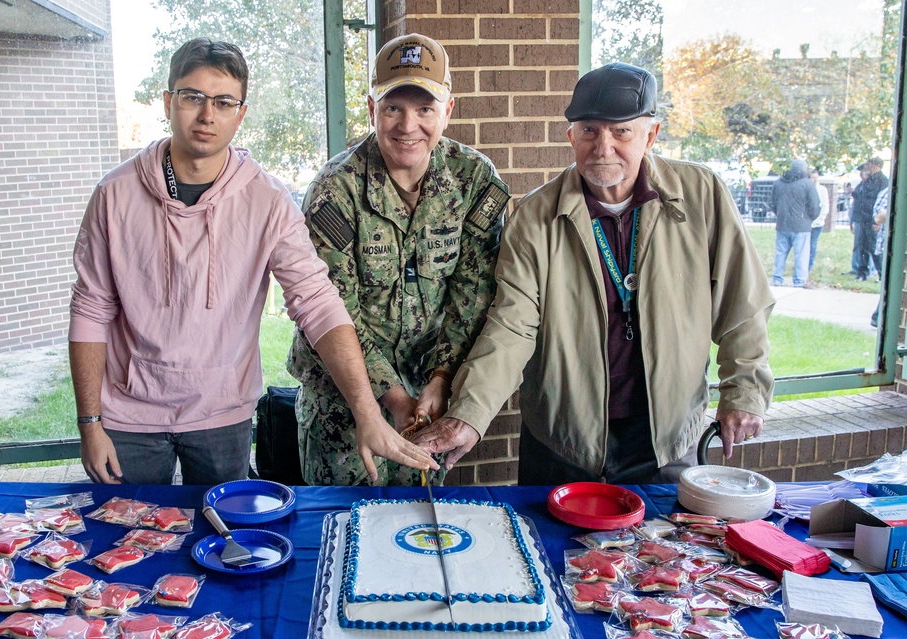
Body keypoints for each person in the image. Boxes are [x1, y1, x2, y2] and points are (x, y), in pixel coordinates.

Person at [69, 38, 436, 485]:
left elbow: (317, 303)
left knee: (227, 542)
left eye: (224, 102)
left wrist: (367, 412)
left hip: (222, 411)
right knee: (130, 538)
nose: (207, 115)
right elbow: (91, 309)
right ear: (168, 102)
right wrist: (89, 424)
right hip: (128, 414)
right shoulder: (114, 195)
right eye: (192, 97)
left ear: (240, 113)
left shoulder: (268, 200)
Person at [412, 62, 775, 485]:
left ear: (650, 136)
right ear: (571, 137)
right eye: (589, 131)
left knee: (665, 549)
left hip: (667, 439)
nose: (603, 147)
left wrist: (744, 392)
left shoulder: (702, 195)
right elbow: (511, 327)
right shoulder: (534, 218)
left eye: (621, 131)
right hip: (563, 442)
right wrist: (468, 416)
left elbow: (742, 302)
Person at [287, 34, 507, 486]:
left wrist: (443, 376)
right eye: (393, 108)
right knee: (342, 529)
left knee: (417, 531)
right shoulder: (336, 189)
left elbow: (474, 291)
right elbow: (333, 307)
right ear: (372, 110)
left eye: (425, 109)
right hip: (343, 405)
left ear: (447, 111)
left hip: (428, 402)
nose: (409, 125)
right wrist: (389, 395)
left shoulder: (473, 180)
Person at [770, 159, 820, 288]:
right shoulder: (807, 184)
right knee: (801, 254)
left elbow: (772, 203)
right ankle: (799, 281)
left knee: (780, 253)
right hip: (801, 226)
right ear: (804, 169)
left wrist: (780, 215)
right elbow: (814, 205)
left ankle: (777, 278)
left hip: (782, 224)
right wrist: (809, 219)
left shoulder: (779, 183)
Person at [851, 157, 889, 280]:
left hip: (872, 219)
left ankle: (881, 273)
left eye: (868, 164)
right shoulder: (866, 180)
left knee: (873, 247)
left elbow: (880, 203)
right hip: (861, 218)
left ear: (874, 165)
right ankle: (862, 272)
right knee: (861, 246)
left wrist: (877, 220)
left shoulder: (883, 181)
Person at [871, 185, 890, 328]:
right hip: (888, 248)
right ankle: (878, 318)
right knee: (891, 285)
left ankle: (879, 318)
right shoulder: (890, 191)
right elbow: (879, 217)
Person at [808, 168, 829, 272]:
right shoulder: (806, 188)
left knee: (812, 244)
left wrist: (821, 218)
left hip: (817, 223)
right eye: (812, 178)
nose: (814, 180)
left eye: (816, 178)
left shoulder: (822, 190)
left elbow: (825, 205)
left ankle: (809, 264)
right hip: (806, 223)